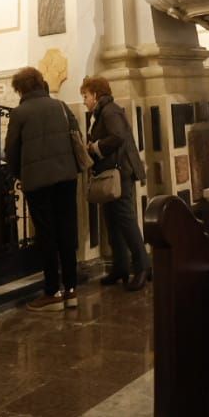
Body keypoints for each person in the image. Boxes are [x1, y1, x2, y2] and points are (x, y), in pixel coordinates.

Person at [4, 66, 81, 312]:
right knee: (67, 229)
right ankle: (71, 289)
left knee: (46, 234)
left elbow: (11, 150)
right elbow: (76, 135)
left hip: (37, 181)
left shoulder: (20, 113)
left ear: (20, 89)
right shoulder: (61, 106)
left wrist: (19, 173)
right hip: (66, 177)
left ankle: (52, 291)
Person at [81, 76, 149, 290]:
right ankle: (120, 267)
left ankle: (142, 267)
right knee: (112, 222)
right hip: (111, 172)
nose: (84, 101)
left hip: (120, 173)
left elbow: (118, 137)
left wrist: (95, 147)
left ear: (95, 95)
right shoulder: (102, 112)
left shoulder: (109, 111)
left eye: (85, 96)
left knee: (126, 221)